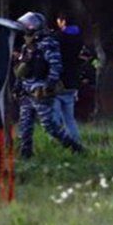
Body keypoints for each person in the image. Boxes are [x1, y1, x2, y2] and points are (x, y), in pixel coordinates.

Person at [12, 11, 85, 159]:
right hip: (27, 91)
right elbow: (23, 68)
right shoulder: (27, 46)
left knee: (49, 126)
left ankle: (75, 148)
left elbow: (56, 66)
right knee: (25, 126)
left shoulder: (48, 44)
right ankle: (26, 154)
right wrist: (17, 86)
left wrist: (49, 85)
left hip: (40, 91)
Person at [52, 11, 86, 141]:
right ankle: (75, 142)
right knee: (69, 118)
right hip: (73, 81)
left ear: (63, 21)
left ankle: (59, 143)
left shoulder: (58, 37)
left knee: (54, 117)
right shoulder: (79, 37)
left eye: (58, 20)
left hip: (58, 81)